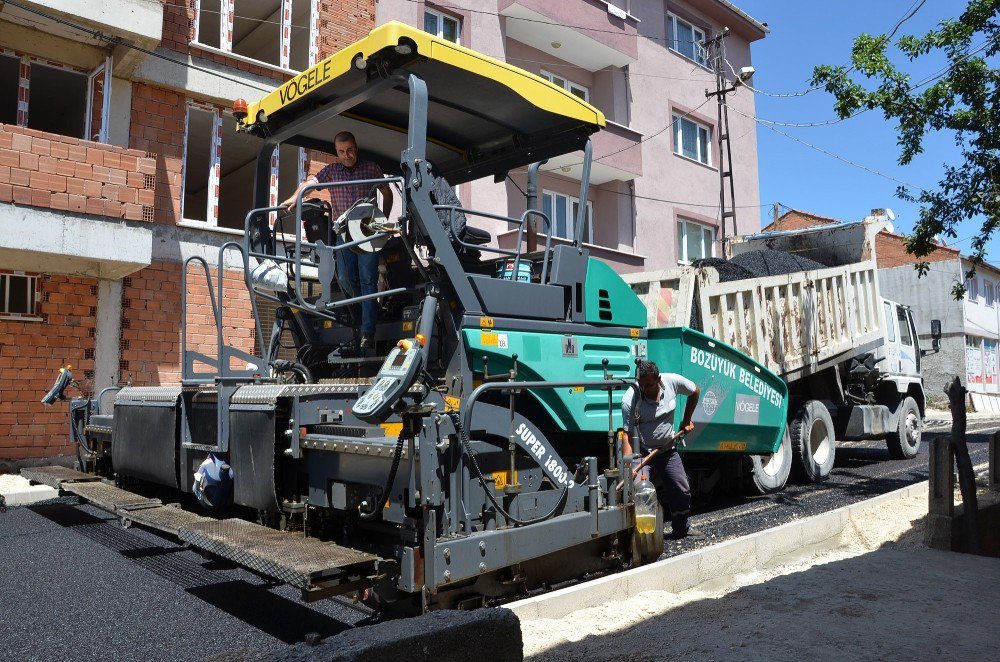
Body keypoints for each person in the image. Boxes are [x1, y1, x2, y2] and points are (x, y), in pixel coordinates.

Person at [282, 131, 392, 349]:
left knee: (368, 279)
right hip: (342, 232)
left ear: (356, 147)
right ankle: (371, 311)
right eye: (341, 151)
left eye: (350, 149)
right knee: (345, 277)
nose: (347, 155)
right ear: (337, 152)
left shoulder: (371, 168)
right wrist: (296, 197)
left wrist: (383, 221)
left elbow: (387, 192)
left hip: (367, 229)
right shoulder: (332, 170)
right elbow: (310, 183)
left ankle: (367, 329)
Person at [621, 359, 705, 540]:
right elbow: (626, 435)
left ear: (658, 379)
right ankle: (640, 538)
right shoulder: (631, 398)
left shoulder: (672, 381)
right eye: (641, 385)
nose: (644, 389)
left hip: (667, 449)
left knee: (682, 488)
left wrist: (686, 419)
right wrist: (628, 466)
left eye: (649, 385)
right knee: (638, 490)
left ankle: (681, 528)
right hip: (642, 452)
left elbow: (695, 391)